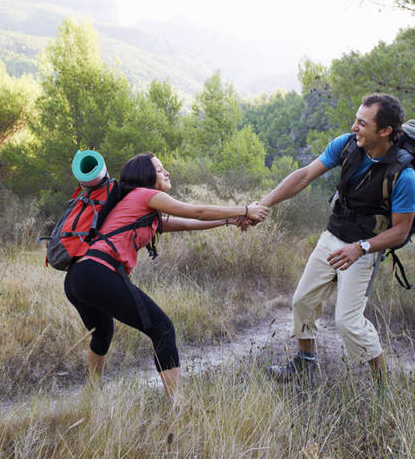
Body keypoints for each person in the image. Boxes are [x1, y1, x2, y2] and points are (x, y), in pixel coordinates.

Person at [64, 152, 269, 399]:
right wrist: (246, 209)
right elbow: (197, 211)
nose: (167, 172)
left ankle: (92, 396)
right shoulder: (145, 195)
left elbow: (185, 223)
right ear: (146, 176)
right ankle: (178, 404)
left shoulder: (138, 208)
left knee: (103, 331)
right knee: (162, 329)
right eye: (160, 170)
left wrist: (231, 220)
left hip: (77, 277)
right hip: (97, 272)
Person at [258, 93, 415, 388]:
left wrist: (361, 248)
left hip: (364, 250)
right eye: (356, 120)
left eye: (362, 123)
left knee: (348, 322)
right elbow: (305, 175)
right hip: (332, 236)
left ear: (384, 131)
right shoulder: (346, 145)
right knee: (303, 301)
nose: (354, 127)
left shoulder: (403, 175)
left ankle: (383, 387)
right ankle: (304, 365)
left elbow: (400, 231)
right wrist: (264, 204)